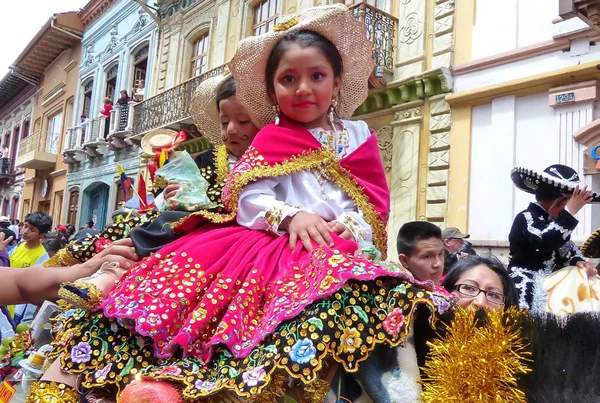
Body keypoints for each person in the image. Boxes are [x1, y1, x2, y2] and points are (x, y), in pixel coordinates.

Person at [35, 6, 453, 402]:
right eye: (288, 79)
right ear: (273, 91)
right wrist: (291, 216)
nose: (303, 88)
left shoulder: (360, 135)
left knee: (382, 302)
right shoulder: (271, 137)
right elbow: (248, 196)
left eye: (316, 75)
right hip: (277, 246)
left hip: (340, 246)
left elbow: (372, 200)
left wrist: (352, 224)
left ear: (337, 81)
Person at [508, 164, 598, 310]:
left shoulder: (554, 223)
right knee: (524, 314)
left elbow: (566, 248)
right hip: (525, 281)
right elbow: (545, 240)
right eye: (565, 207)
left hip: (553, 281)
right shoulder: (526, 218)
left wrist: (578, 261)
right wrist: (569, 213)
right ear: (560, 203)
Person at [9, 212, 52, 324]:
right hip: (5, 302)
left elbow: (35, 288)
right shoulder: (19, 246)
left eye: (32, 230)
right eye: (25, 226)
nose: (26, 231)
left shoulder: (43, 257)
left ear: (41, 235)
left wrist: (26, 318)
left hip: (18, 311)